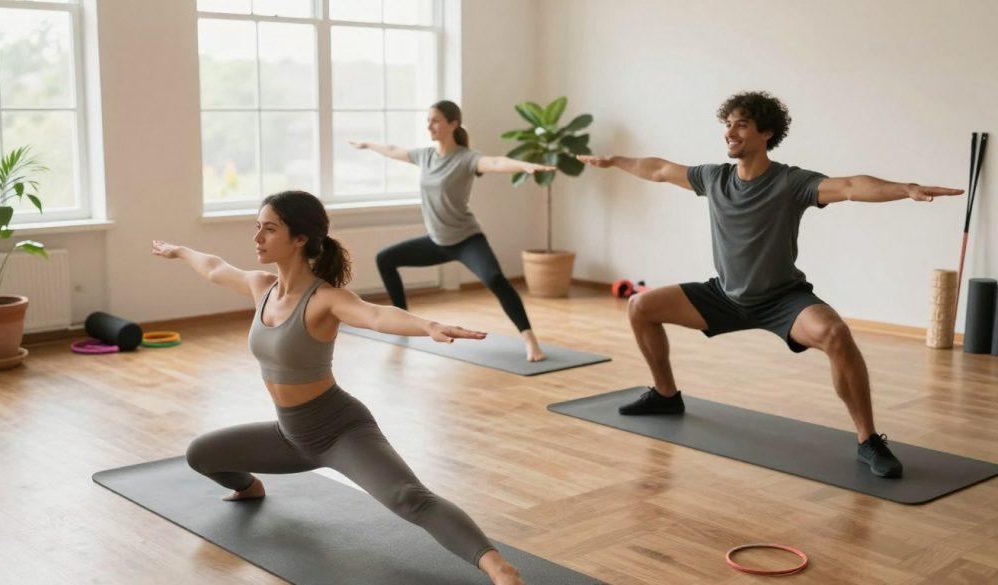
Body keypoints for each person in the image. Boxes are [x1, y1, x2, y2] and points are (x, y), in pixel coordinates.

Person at [579, 91, 964, 479]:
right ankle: (665, 395)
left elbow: (849, 186)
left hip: (782, 299)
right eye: (727, 124)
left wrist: (906, 188)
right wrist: (614, 162)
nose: (730, 132)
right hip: (724, 295)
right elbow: (659, 168)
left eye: (741, 124)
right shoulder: (713, 178)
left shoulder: (789, 182)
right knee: (640, 307)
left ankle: (868, 440)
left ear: (767, 133)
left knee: (835, 334)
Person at [151, 190, 523, 585]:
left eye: (269, 229)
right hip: (289, 434)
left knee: (409, 498)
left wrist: (429, 327)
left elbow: (376, 315)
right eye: (257, 227)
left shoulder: (325, 299)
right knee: (202, 454)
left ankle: (498, 567)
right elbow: (214, 267)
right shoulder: (261, 286)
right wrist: (179, 251)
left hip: (340, 431)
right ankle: (249, 486)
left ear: (299, 239)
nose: (257, 237)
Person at [351, 100, 555, 362]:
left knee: (494, 279)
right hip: (437, 241)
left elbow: (494, 162)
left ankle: (530, 342)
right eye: (428, 120)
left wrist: (524, 166)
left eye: (435, 120)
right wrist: (369, 145)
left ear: (453, 124)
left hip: (467, 240)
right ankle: (402, 322)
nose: (429, 126)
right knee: (385, 258)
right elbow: (393, 150)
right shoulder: (425, 156)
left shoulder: (466, 159)